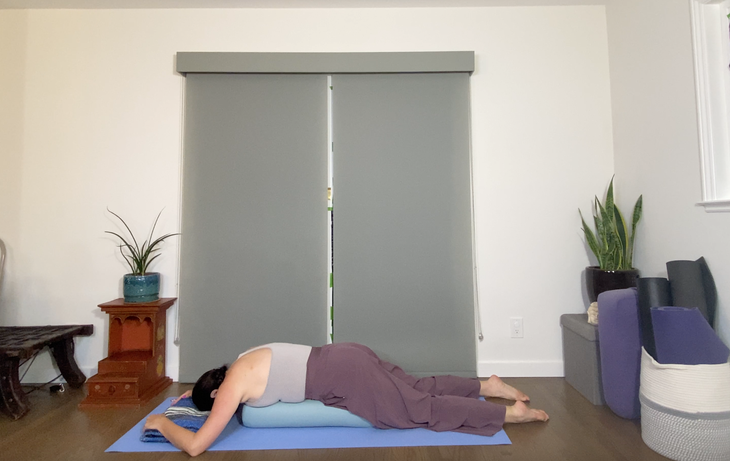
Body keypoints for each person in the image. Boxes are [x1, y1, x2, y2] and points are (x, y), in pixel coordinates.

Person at [144, 342, 548, 457]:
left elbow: (197, 447)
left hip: (345, 377)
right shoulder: (242, 359)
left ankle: (508, 415)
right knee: (418, 385)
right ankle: (487, 386)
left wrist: (163, 422)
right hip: (346, 354)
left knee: (416, 411)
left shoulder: (230, 390)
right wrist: (192, 394)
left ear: (217, 393)